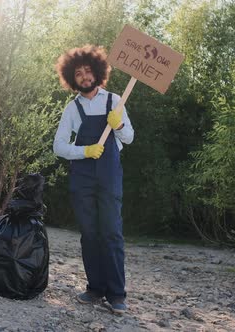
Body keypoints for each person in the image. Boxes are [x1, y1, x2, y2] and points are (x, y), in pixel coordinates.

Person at [53, 45, 134, 314]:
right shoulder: (72, 109)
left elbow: (129, 138)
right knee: (89, 234)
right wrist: (84, 151)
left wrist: (119, 124)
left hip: (109, 176)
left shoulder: (115, 101)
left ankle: (117, 294)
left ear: (97, 71)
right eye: (78, 73)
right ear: (72, 78)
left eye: (88, 71)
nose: (85, 76)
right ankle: (95, 288)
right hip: (83, 177)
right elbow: (59, 147)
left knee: (111, 232)